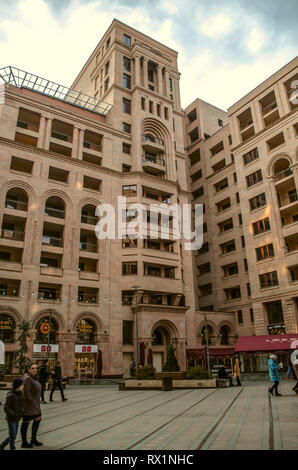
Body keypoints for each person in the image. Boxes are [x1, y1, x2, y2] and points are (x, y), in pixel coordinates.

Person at [21, 362, 43, 448]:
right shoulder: (27, 378)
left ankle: (33, 439)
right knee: (26, 422)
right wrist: (31, 402)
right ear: (28, 369)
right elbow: (26, 392)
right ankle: (24, 442)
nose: (34, 370)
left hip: (35, 404)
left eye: (35, 368)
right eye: (32, 368)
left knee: (38, 418)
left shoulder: (33, 377)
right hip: (29, 405)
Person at [0, 378, 24, 450]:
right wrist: (13, 414)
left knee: (14, 434)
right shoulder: (11, 395)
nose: (23, 386)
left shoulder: (20, 394)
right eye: (22, 385)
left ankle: (3, 444)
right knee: (12, 434)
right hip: (11, 418)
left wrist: (22, 411)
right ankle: (12, 447)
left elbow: (21, 405)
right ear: (18, 385)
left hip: (17, 418)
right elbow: (6, 408)